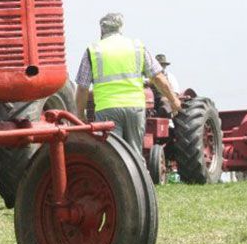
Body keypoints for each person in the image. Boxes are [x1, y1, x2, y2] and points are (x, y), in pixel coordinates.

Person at [75, 13, 182, 151]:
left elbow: (82, 88)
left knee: (113, 154)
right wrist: (173, 100)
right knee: (134, 155)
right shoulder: (137, 46)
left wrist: (81, 115)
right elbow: (158, 77)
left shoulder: (93, 50)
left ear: (102, 30)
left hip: (108, 109)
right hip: (135, 108)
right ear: (121, 28)